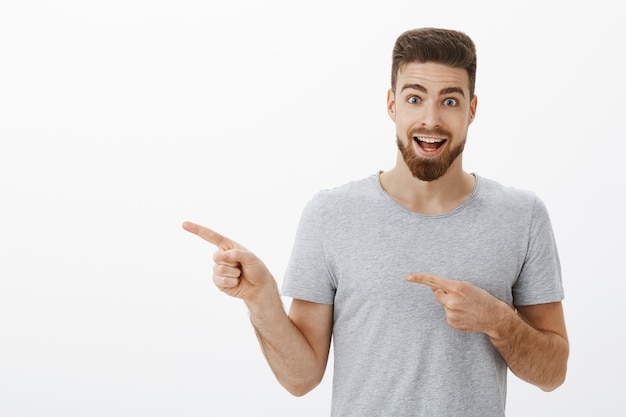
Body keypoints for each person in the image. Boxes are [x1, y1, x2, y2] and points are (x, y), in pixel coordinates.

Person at [182, 27, 569, 416]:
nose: (430, 119)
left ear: (471, 109)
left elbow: (552, 373)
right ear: (391, 105)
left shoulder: (522, 216)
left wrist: (498, 320)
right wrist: (260, 298)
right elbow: (301, 379)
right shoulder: (330, 214)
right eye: (414, 98)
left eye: (449, 101)